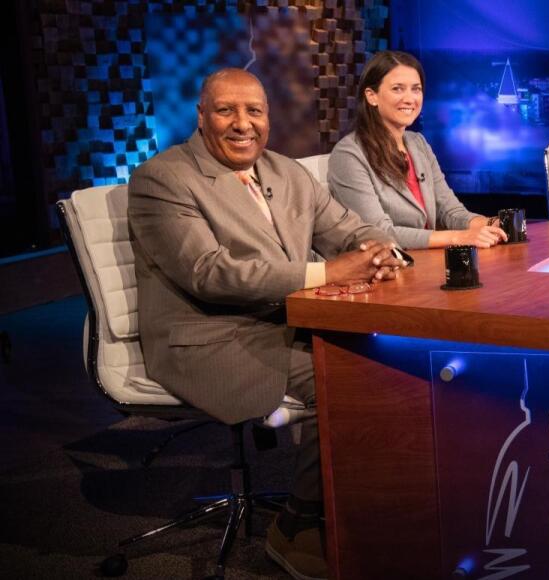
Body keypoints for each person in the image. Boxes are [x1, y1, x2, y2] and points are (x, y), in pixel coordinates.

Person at [128, 68, 404, 580]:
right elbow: (208, 273)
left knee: (391, 358)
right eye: (225, 110)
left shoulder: (286, 172)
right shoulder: (162, 179)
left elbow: (348, 229)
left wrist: (379, 252)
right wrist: (328, 272)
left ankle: (360, 506)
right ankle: (296, 526)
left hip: (286, 322)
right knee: (342, 380)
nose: (242, 123)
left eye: (253, 111)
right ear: (201, 116)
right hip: (210, 336)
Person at [328, 51, 507, 249]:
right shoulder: (349, 154)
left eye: (416, 89)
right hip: (387, 263)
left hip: (428, 258)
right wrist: (459, 238)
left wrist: (491, 224)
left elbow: (450, 211)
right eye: (397, 89)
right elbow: (378, 233)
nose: (410, 99)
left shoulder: (418, 143)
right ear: (372, 96)